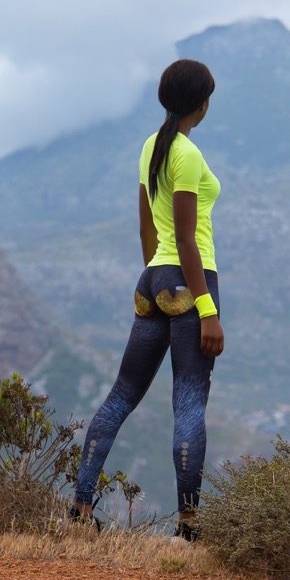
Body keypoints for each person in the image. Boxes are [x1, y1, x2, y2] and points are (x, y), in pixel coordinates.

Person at [72, 58, 223, 541]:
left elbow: (147, 228)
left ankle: (79, 506)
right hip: (190, 277)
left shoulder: (150, 148)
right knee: (189, 404)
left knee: (121, 394)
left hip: (152, 279)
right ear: (200, 104)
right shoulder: (187, 154)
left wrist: (155, 282)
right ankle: (189, 527)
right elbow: (186, 238)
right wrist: (207, 310)